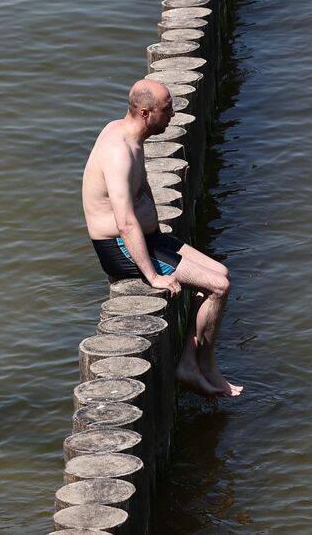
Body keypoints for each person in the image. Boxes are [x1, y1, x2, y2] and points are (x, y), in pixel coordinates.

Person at [83, 79, 243, 398]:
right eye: (167, 108)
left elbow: (140, 194)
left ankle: (193, 362)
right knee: (218, 287)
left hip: (149, 237)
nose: (173, 114)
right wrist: (153, 276)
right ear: (145, 113)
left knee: (222, 274)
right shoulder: (119, 152)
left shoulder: (128, 133)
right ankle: (201, 367)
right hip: (120, 247)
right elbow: (125, 222)